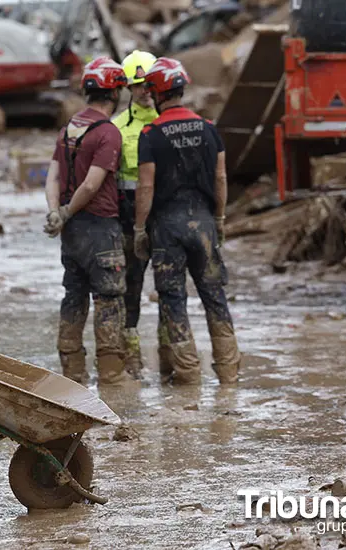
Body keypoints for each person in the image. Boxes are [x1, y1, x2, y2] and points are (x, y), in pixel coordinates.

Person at [133, 57, 241, 385]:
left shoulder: (151, 134)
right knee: (214, 295)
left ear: (156, 92)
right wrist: (219, 218)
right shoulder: (209, 129)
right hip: (205, 224)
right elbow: (221, 178)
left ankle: (189, 375)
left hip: (167, 228)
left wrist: (139, 228)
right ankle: (228, 374)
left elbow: (146, 186)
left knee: (173, 298)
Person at [43, 57, 128, 386]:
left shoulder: (69, 127)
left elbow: (52, 177)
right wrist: (67, 211)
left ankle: (73, 377)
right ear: (115, 92)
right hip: (100, 227)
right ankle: (111, 377)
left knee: (74, 296)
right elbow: (92, 184)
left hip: (72, 232)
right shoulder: (108, 132)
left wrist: (56, 212)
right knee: (108, 300)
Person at [112, 50, 159, 380]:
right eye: (138, 85)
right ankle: (131, 358)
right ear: (128, 87)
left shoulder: (167, 122)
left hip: (165, 217)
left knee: (171, 289)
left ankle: (173, 361)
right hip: (129, 219)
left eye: (150, 85)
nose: (145, 91)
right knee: (131, 287)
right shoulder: (116, 128)